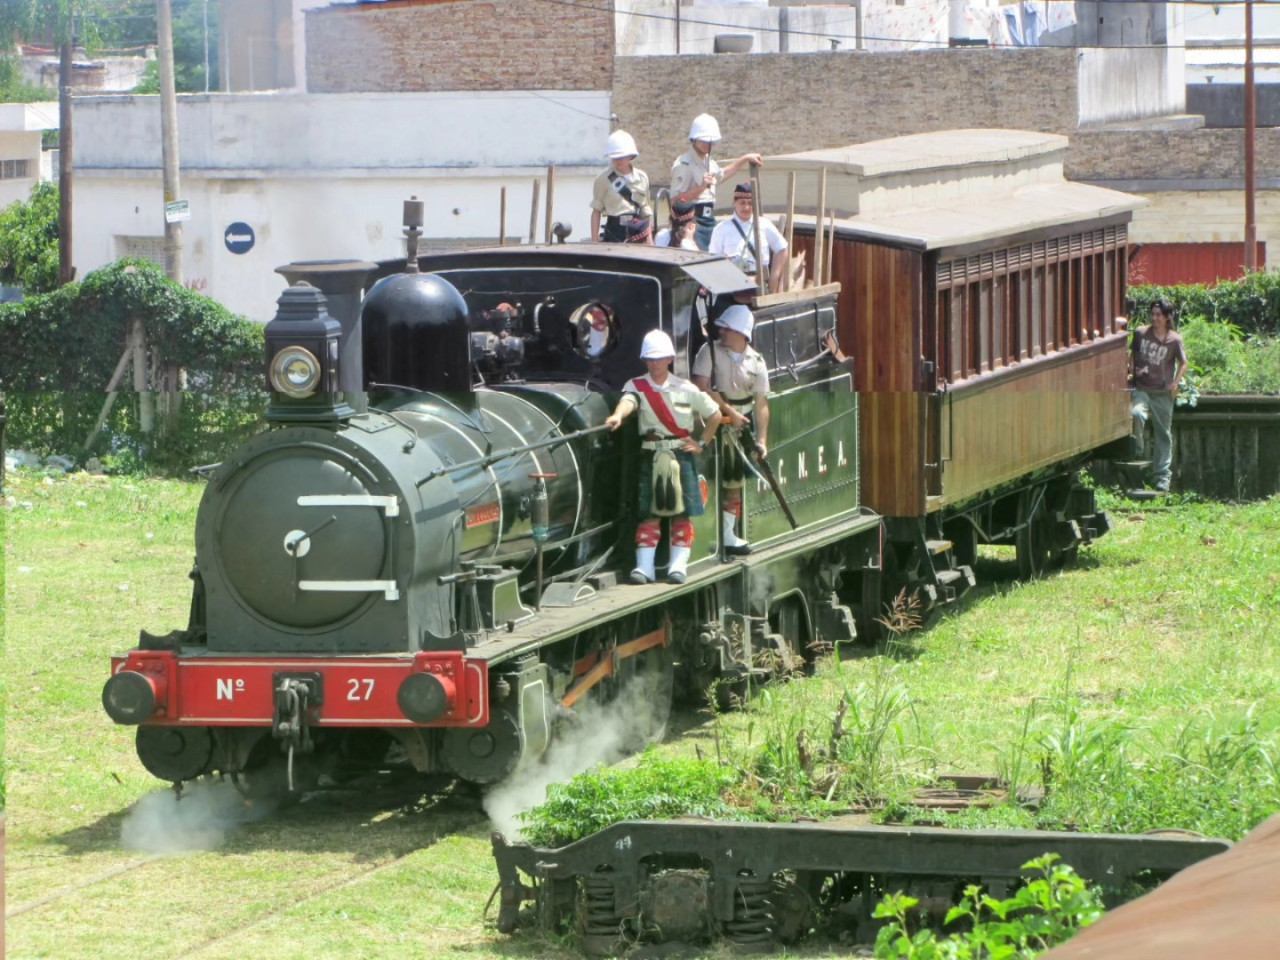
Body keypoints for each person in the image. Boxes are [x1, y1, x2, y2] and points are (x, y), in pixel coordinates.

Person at [605, 330, 723, 584]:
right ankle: (644, 568)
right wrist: (617, 415)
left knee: (682, 515)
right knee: (649, 514)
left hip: (681, 454)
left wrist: (702, 443)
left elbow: (714, 415)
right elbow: (628, 401)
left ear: (669, 358)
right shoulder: (636, 386)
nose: (654, 363)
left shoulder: (686, 388)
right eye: (649, 358)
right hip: (651, 454)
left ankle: (678, 567)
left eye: (658, 358)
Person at [692, 304, 769, 556]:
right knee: (712, 478)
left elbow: (761, 405)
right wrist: (729, 411)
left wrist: (761, 440)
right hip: (713, 420)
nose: (720, 331)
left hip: (741, 424)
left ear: (739, 332)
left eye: (726, 328)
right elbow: (701, 386)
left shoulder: (757, 362)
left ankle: (727, 534)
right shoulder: (708, 352)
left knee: (735, 481)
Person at [670, 114, 764, 251]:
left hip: (709, 220)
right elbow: (675, 200)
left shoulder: (708, 161)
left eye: (710, 141)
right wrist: (701, 187)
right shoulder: (683, 164)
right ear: (694, 139)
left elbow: (721, 175)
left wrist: (745, 159)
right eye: (703, 140)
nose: (707, 144)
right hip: (692, 220)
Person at [1130, 300, 1188, 492]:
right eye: (1153, 314)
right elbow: (1132, 353)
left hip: (1162, 393)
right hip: (1143, 389)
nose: (1154, 318)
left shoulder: (1174, 340)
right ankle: (1136, 452)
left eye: (1158, 315)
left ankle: (1161, 476)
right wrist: (1130, 371)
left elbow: (1183, 363)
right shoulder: (1140, 333)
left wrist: (1175, 382)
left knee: (1163, 434)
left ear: (1167, 317)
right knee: (1136, 414)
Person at [708, 183, 789, 293]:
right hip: (731, 287)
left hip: (759, 285)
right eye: (742, 203)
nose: (746, 207)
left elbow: (782, 248)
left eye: (750, 203)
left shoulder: (764, 224)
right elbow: (713, 260)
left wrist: (775, 276)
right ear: (734, 202)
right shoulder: (721, 229)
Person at [590, 130, 653, 244]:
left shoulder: (642, 178)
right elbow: (596, 211)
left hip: (637, 230)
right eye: (615, 157)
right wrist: (594, 241)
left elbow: (645, 211)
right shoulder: (603, 179)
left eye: (622, 156)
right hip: (614, 231)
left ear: (630, 156)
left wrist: (650, 241)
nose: (618, 160)